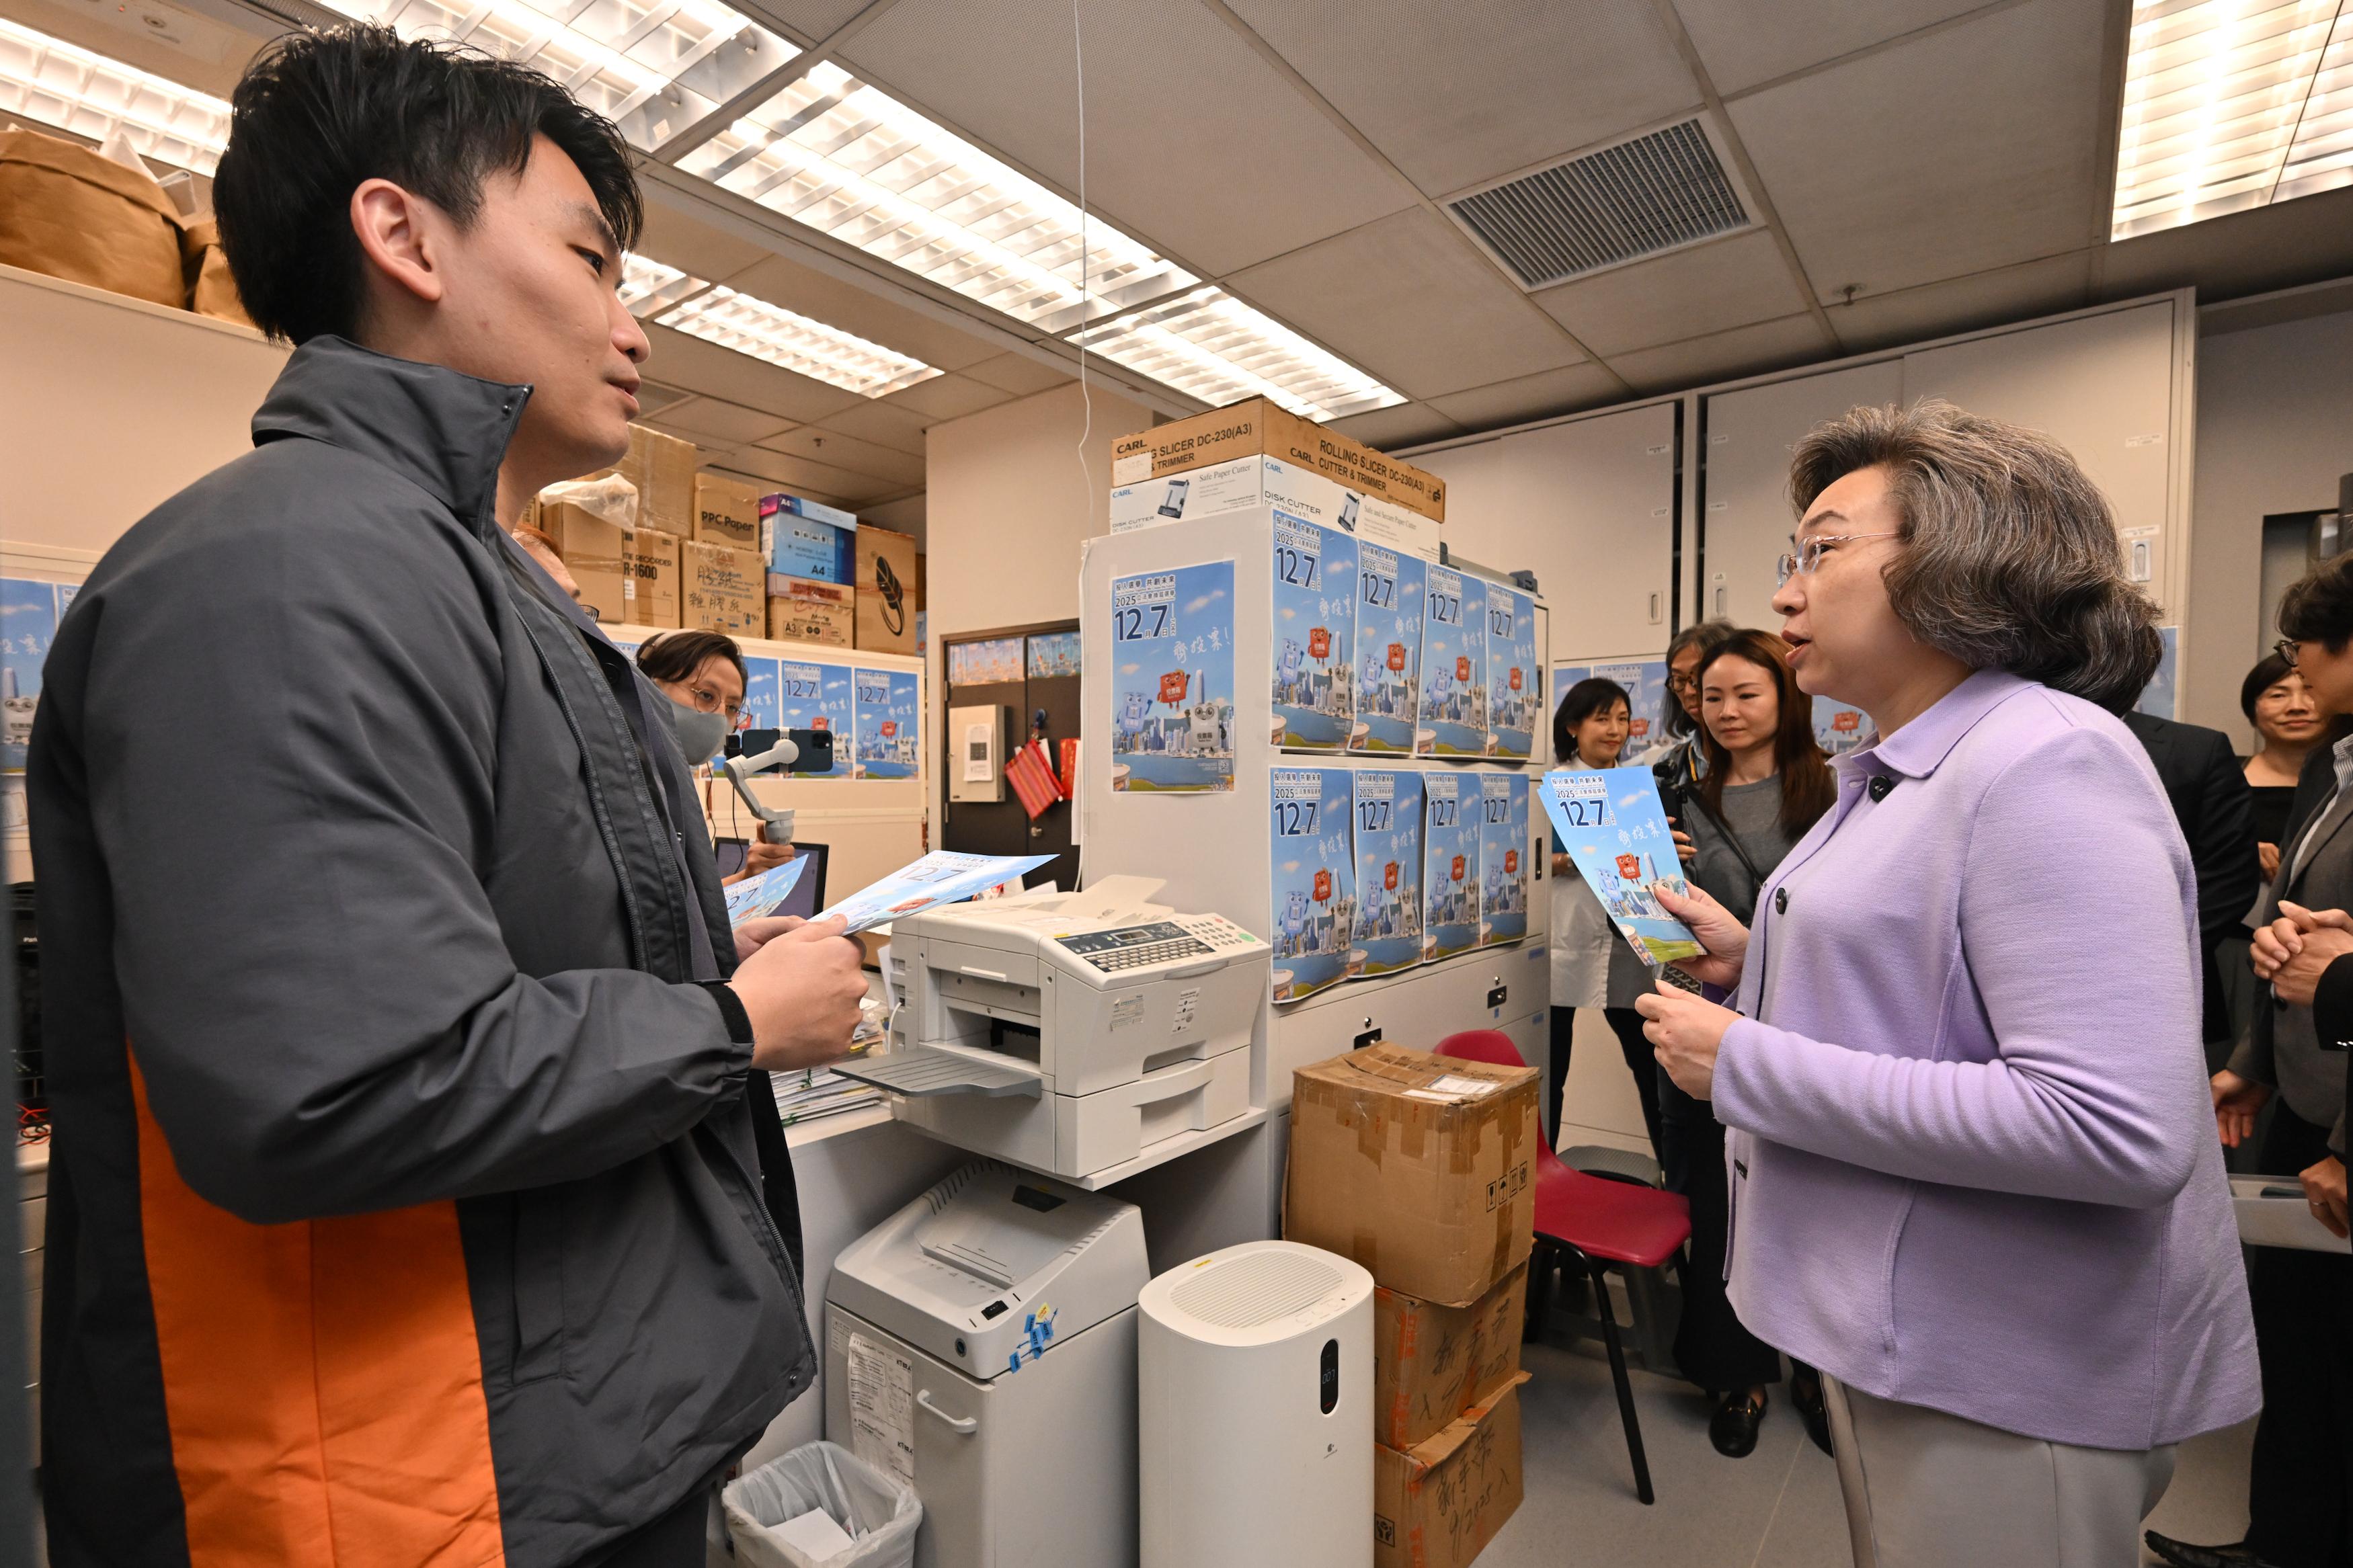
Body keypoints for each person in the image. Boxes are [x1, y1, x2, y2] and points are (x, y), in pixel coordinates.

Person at [26, 28, 868, 1568]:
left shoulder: (487, 586)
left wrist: (707, 958)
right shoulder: (283, 570)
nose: (631, 326)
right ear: (403, 235)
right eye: (591, 259)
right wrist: (731, 1024)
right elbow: (343, 1075)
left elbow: (505, 946)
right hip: (400, 1490)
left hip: (568, 1433)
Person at [1636, 401, 2258, 1568]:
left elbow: (2112, 1127)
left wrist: (1747, 1064)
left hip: (2011, 1370)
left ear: (1959, 562)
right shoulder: (1921, 761)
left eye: (1820, 551)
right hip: (1915, 1332)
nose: (1784, 595)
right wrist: (1757, 959)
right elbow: (1930, 984)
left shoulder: (2046, 759)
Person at [2153, 569, 2353, 1568]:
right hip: (2307, 1085)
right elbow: (2300, 927)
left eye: (2301, 649)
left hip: (2344, 1113)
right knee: (2301, 1338)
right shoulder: (2332, 765)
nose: (2294, 671)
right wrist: (2256, 1064)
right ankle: (2280, 1543)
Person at [1661, 628, 1834, 1460]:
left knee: (1814, 1206)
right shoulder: (1680, 802)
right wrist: (1655, 873)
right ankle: (1736, 1373)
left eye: (1745, 693)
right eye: (1710, 696)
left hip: (1818, 1027)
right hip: (1715, 1027)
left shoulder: (1839, 789)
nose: (1725, 711)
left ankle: (1817, 1369)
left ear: (1785, 696)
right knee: (1720, 1205)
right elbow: (1656, 932)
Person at [2118, 706, 2260, 1066]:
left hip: (2168, 993)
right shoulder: (2002, 737)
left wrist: (2141, 959)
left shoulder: (2196, 748)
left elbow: (2229, 877)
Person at [635, 629, 795, 883]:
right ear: (646, 686)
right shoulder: (621, 783)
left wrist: (749, 877)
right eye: (706, 695)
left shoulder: (671, 785)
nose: (720, 716)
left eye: (732, 707)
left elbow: (680, 900)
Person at [1547, 677, 1633, 1149]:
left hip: (1626, 937)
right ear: (1573, 726)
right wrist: (1569, 861)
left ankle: (1672, 1176)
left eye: (1622, 718)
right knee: (1551, 1065)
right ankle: (1543, 1162)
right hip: (1566, 932)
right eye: (1603, 719)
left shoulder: (1638, 786)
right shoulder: (1553, 784)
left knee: (1646, 1061)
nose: (1615, 730)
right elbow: (1528, 861)